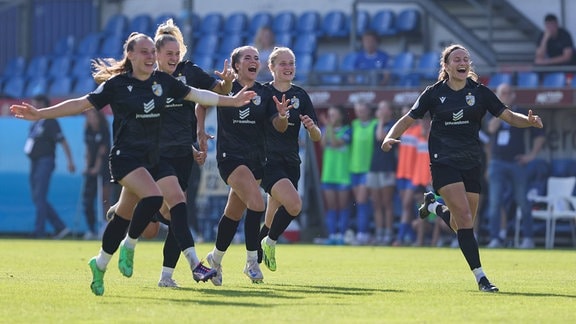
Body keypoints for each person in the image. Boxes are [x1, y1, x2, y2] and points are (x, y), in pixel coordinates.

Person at [11, 32, 256, 296]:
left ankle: (101, 262)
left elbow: (199, 95)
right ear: (131, 55)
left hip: (153, 159)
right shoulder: (117, 85)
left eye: (152, 52)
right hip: (126, 158)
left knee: (126, 215)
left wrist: (232, 100)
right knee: (156, 198)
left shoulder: (163, 81)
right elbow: (80, 104)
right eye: (145, 52)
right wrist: (41, 114)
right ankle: (162, 254)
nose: (150, 57)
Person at [382, 44, 543, 293]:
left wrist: (529, 121)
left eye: (466, 59)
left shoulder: (480, 92)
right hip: (443, 161)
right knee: (466, 220)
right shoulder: (433, 93)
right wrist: (389, 137)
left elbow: (508, 116)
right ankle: (481, 278)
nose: (463, 62)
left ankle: (433, 206)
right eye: (457, 59)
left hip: (471, 161)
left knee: (462, 224)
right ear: (446, 66)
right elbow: (407, 119)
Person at [105, 19, 238, 289]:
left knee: (155, 227)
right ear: (156, 53)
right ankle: (192, 265)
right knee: (178, 210)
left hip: (182, 154)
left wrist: (226, 86)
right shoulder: (149, 81)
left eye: (177, 53)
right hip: (155, 156)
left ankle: (125, 218)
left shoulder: (187, 74)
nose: (174, 58)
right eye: (168, 53)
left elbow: (213, 95)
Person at [197, 45, 292, 286]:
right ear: (237, 65)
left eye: (256, 58)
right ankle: (252, 262)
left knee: (233, 213)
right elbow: (201, 104)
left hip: (257, 160)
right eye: (247, 58)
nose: (253, 61)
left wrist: (282, 117)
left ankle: (215, 260)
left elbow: (278, 127)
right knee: (257, 203)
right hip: (231, 158)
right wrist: (199, 131)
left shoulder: (265, 92)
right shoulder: (226, 88)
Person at [258, 47, 322, 272]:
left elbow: (317, 136)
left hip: (292, 162)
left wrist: (312, 128)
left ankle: (253, 261)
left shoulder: (301, 95)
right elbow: (280, 125)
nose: (288, 67)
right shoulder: (264, 93)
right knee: (294, 205)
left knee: (271, 216)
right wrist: (282, 115)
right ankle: (270, 242)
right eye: (282, 63)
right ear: (272, 67)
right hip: (268, 161)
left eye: (291, 63)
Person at [485, 83, 546, 249]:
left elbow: (539, 134)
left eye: (507, 93)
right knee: (495, 202)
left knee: (522, 201)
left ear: (513, 95)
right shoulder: (492, 112)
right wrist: (500, 111)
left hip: (516, 162)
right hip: (497, 162)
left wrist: (531, 155)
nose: (504, 96)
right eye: (501, 93)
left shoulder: (521, 112)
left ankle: (528, 238)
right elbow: (491, 129)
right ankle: (495, 238)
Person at [24, 94, 75, 239]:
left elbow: (63, 141)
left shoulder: (50, 121)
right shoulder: (36, 122)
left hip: (45, 161)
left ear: (42, 104)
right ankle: (60, 227)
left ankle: (39, 231)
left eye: (35, 103)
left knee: (39, 196)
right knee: (37, 197)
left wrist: (70, 161)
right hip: (35, 162)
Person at [319, 105, 352, 245]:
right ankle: (332, 235)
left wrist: (329, 127)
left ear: (341, 116)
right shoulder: (326, 130)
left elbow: (335, 143)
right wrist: (328, 127)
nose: (331, 117)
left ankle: (342, 235)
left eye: (334, 114)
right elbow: (322, 143)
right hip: (328, 174)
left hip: (343, 174)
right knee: (331, 207)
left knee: (342, 206)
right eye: (329, 115)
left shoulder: (348, 130)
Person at [367, 100, 397, 245]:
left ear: (389, 112)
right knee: (376, 203)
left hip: (387, 168)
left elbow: (381, 137)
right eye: (380, 109)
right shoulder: (375, 126)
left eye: (384, 109)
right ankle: (379, 231)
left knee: (387, 203)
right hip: (374, 168)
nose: (381, 112)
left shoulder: (392, 126)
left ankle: (388, 232)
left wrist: (380, 121)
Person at [349, 101, 378, 245]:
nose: (360, 112)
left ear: (368, 111)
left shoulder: (375, 124)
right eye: (358, 110)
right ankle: (364, 232)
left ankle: (363, 233)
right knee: (361, 203)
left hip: (368, 169)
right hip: (354, 169)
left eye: (363, 110)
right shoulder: (354, 125)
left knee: (361, 202)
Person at [393, 105, 420, 246]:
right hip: (402, 173)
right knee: (407, 207)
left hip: (413, 174)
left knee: (407, 205)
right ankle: (410, 235)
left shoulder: (419, 131)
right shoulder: (402, 132)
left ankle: (401, 237)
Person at [82, 108, 111, 240]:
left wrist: (97, 168)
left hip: (104, 169)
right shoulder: (88, 131)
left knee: (104, 198)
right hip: (92, 169)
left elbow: (102, 151)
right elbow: (88, 150)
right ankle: (92, 228)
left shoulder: (104, 130)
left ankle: (106, 226)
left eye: (94, 117)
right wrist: (88, 167)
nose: (92, 119)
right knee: (88, 200)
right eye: (89, 117)